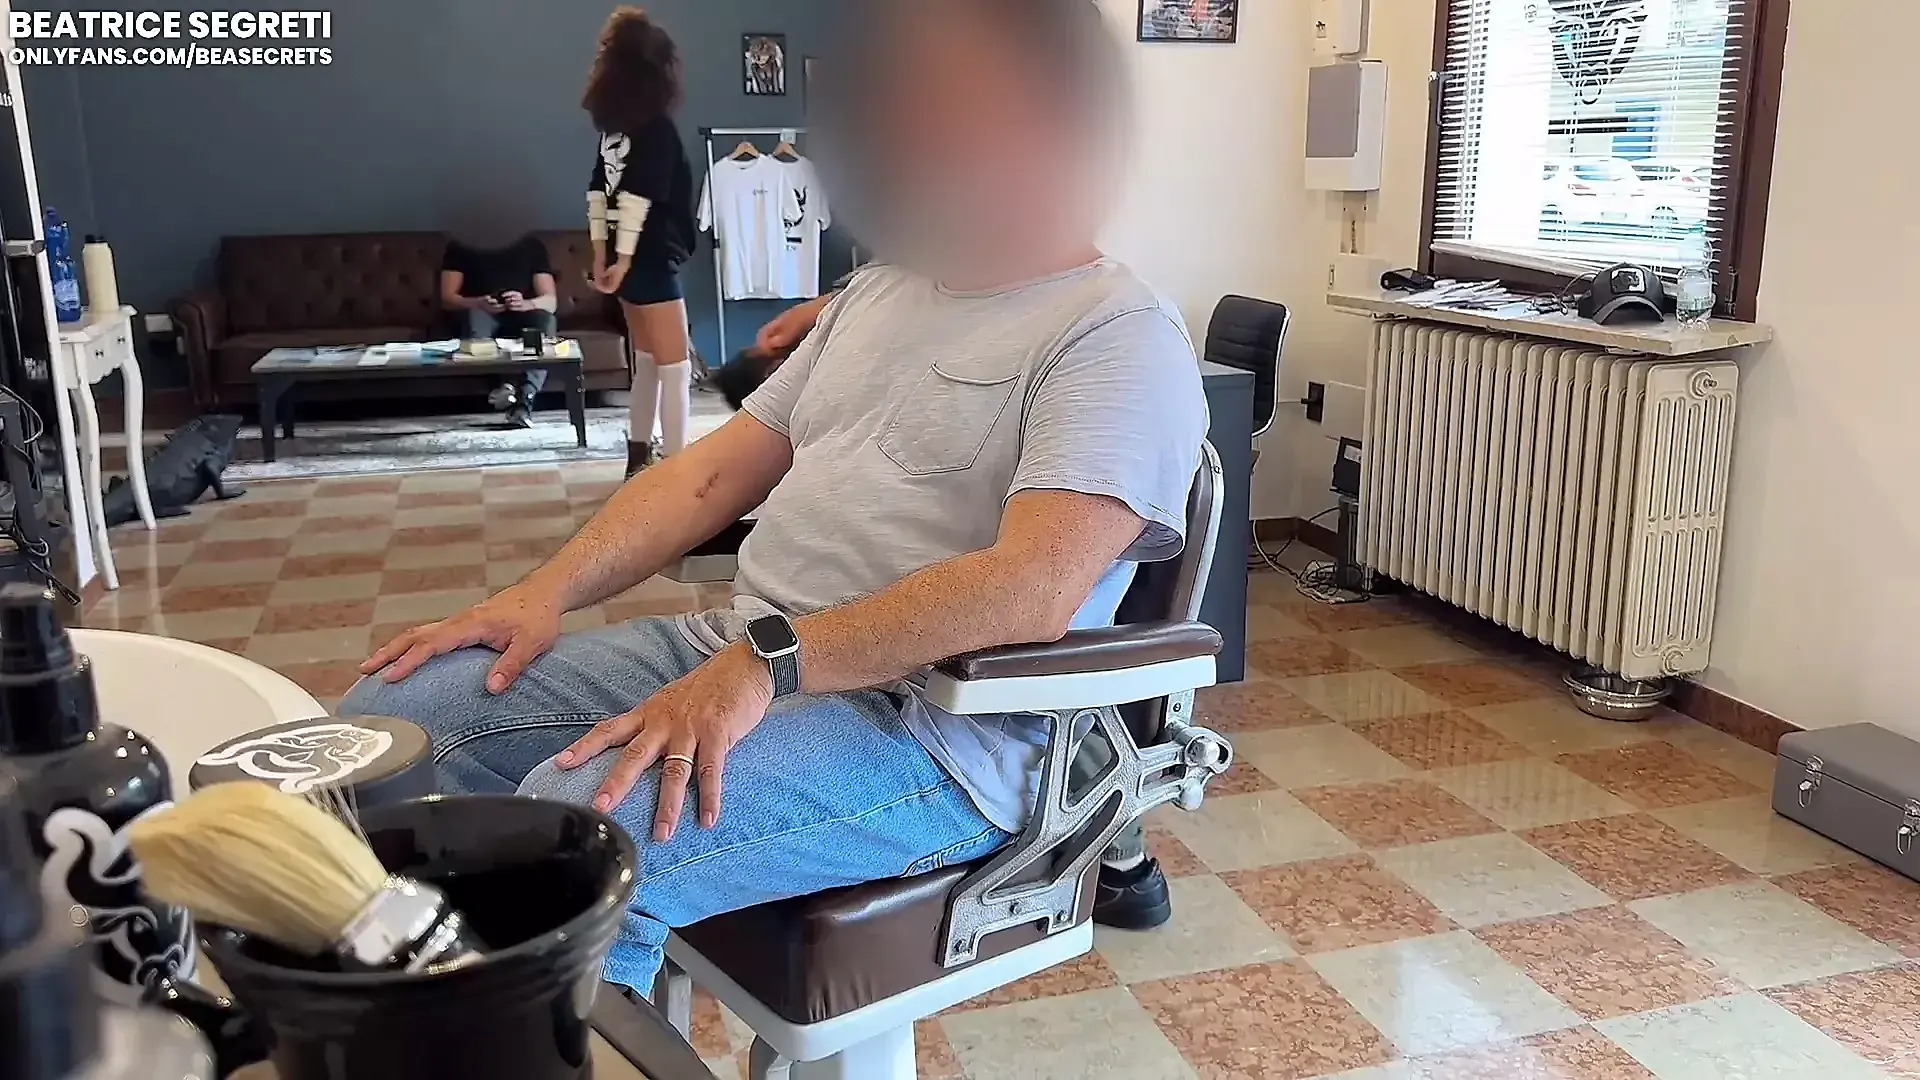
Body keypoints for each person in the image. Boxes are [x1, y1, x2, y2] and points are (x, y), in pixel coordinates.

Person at [343, 0, 1206, 995]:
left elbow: (1031, 589)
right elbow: (712, 473)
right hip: (746, 647)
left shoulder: (1115, 334)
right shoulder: (882, 293)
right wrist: (543, 593)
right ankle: (410, 1002)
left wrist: (771, 664)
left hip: (932, 727)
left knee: (577, 831)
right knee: (392, 726)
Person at [583, 7, 699, 477]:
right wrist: (626, 261)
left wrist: (603, 258)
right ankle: (676, 472)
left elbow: (599, 195)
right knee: (676, 368)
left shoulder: (615, 132)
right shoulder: (656, 130)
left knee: (647, 361)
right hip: (648, 261)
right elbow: (638, 200)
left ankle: (638, 458)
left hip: (624, 262)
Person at [440, 234, 559, 429]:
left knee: (545, 320)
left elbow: (550, 301)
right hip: (479, 311)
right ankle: (504, 387)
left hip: (522, 314)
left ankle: (525, 396)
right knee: (476, 320)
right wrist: (478, 302)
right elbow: (447, 298)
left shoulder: (531, 245)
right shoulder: (460, 244)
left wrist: (526, 303)